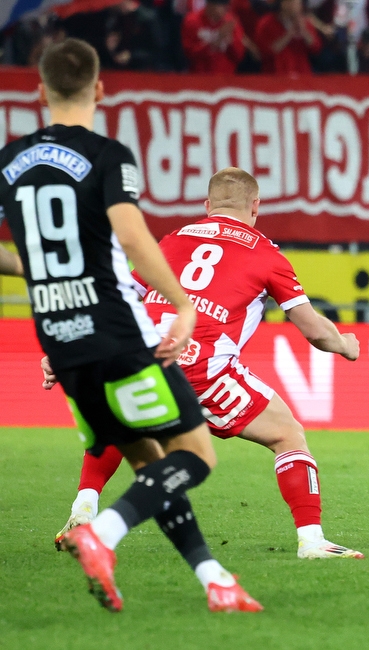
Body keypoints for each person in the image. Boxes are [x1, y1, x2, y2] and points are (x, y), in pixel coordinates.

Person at [0, 38, 261, 612]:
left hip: (62, 346)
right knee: (195, 455)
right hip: (117, 334)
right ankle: (102, 534)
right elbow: (135, 237)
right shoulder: (106, 155)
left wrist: (35, 269)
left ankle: (216, 580)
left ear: (39, 91)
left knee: (151, 465)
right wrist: (183, 303)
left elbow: (24, 255)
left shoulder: (10, 161)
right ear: (99, 89)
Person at [49, 167, 365, 561]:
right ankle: (312, 541)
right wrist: (345, 345)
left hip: (143, 358)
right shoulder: (267, 254)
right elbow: (314, 330)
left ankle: (84, 508)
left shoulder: (173, 240)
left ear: (207, 205)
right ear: (255, 207)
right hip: (204, 367)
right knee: (287, 436)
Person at [255, 0, 324, 73]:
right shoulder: (267, 22)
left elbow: (316, 48)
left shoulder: (305, 23)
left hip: (302, 73)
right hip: (275, 74)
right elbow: (264, 51)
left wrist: (305, 32)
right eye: (291, 2)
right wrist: (288, 35)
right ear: (282, 3)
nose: (294, 6)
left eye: (298, 3)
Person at [182, 0, 247, 73]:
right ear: (209, 5)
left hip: (226, 78)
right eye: (221, 6)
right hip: (199, 76)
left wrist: (231, 43)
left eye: (226, 6)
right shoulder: (193, 21)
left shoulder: (231, 22)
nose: (225, 10)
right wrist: (216, 40)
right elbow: (189, 53)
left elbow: (239, 56)